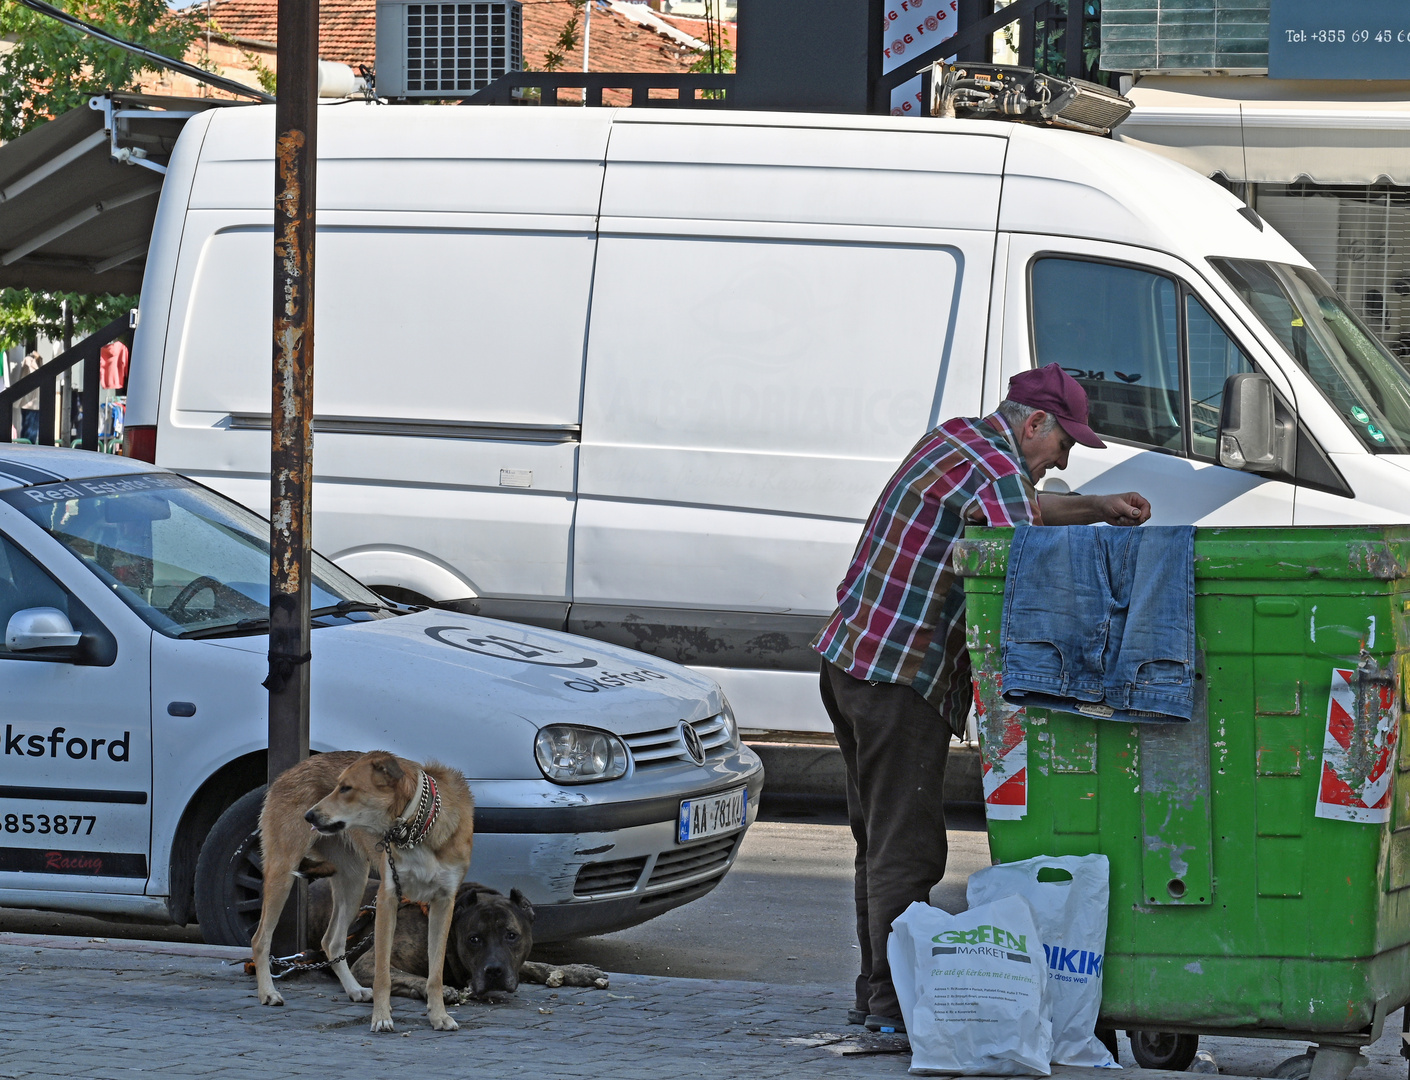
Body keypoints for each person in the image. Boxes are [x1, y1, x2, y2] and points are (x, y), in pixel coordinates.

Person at [813, 363, 1152, 1035]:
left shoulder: (958, 440)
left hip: (848, 659)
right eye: (1065, 446)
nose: (1064, 459)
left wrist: (1096, 506)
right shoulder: (997, 469)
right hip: (898, 676)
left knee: (877, 843)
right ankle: (890, 1009)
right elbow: (1020, 550)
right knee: (908, 851)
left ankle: (873, 994)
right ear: (1034, 424)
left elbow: (1022, 507)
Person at [17, 349, 41, 444]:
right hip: (30, 403)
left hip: (31, 402)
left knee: (30, 429)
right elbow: (36, 373)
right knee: (30, 431)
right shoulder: (28, 361)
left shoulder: (32, 361)